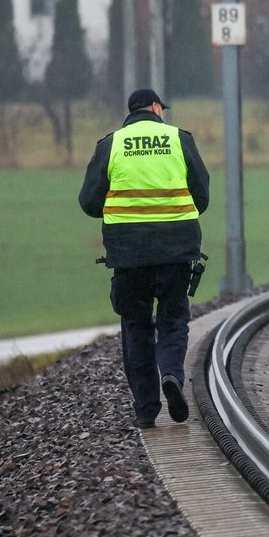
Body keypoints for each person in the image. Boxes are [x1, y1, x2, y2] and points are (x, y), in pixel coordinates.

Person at [79, 88, 210, 429]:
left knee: (135, 326)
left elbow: (89, 202)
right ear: (154, 108)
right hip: (175, 250)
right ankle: (171, 375)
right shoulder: (179, 139)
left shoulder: (111, 144)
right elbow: (203, 194)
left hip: (128, 253)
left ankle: (146, 409)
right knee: (173, 318)